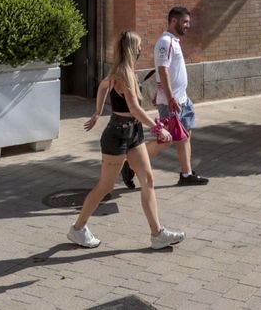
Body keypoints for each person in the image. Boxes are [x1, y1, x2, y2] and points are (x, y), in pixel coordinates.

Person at [68, 31, 186, 251]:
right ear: (132, 48)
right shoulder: (123, 73)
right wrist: (158, 127)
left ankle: (157, 234)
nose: (142, 49)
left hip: (133, 133)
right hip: (118, 135)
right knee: (105, 186)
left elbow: (103, 86)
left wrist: (98, 112)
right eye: (139, 46)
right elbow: (134, 108)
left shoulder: (123, 71)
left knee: (147, 180)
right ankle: (78, 229)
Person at [123, 6, 209, 189]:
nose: (188, 25)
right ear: (173, 21)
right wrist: (169, 98)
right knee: (166, 139)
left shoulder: (174, 41)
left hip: (181, 100)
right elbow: (162, 70)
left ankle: (186, 174)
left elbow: (167, 71)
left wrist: (161, 92)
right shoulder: (165, 42)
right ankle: (131, 163)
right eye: (185, 22)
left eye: (188, 22)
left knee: (185, 135)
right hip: (173, 103)